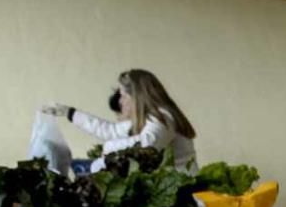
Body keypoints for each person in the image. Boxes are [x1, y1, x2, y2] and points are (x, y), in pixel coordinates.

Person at [43, 69, 197, 173]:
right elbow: (111, 131)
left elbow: (147, 145)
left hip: (184, 190)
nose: (121, 101)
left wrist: (109, 149)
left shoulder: (163, 117)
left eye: (123, 95)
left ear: (137, 97)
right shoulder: (153, 118)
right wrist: (70, 113)